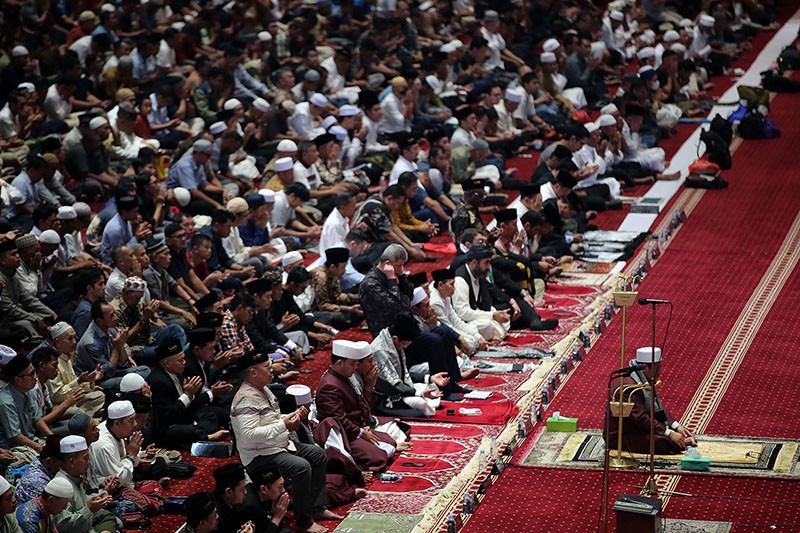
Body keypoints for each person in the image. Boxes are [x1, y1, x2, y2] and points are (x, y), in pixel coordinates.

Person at [230, 348, 341, 532]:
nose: (272, 369)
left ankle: (315, 508)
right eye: (267, 366)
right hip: (260, 454)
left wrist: (292, 417)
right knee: (301, 467)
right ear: (253, 373)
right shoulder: (244, 399)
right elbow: (248, 435)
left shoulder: (263, 388)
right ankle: (303, 521)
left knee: (318, 454)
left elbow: (271, 418)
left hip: (277, 444)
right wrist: (284, 425)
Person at [315, 340, 399, 473]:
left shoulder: (345, 376)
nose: (356, 367)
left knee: (391, 442)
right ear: (339, 363)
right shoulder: (329, 386)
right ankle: (353, 469)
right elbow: (338, 419)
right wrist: (361, 432)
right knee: (380, 456)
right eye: (352, 364)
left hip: (356, 428)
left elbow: (361, 406)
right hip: (344, 436)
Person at [605, 347, 697, 455]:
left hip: (637, 428)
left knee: (673, 433)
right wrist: (668, 433)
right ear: (645, 367)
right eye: (657, 368)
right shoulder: (630, 387)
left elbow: (656, 407)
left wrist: (675, 426)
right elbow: (641, 418)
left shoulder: (643, 379)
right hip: (622, 435)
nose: (659, 372)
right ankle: (679, 443)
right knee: (663, 442)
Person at [146, 339, 230, 449]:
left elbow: (189, 405)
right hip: (167, 426)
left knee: (209, 415)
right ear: (167, 363)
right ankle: (207, 437)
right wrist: (187, 395)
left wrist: (192, 396)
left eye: (184, 359)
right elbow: (168, 415)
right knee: (188, 430)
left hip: (184, 417)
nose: (184, 362)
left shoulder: (178, 372)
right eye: (180, 360)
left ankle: (197, 436)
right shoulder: (158, 381)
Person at [75, 301, 150, 389]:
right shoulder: (91, 342)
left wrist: (121, 346)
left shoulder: (108, 327)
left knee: (145, 370)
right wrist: (117, 346)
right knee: (133, 382)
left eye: (115, 313)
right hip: (96, 381)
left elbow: (124, 362)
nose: (116, 317)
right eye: (111, 316)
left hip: (115, 370)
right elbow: (107, 373)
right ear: (99, 320)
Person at [52, 435, 118, 533]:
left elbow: (82, 503)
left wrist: (99, 499)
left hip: (88, 525)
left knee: (108, 516)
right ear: (72, 462)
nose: (89, 462)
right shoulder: (62, 486)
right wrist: (89, 509)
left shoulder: (76, 478)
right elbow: (63, 526)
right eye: (86, 458)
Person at [0, 354, 52, 456]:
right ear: (18, 380)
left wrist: (51, 436)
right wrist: (40, 448)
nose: (36, 378)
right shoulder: (5, 401)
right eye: (31, 374)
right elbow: (15, 436)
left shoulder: (29, 390)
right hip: (14, 447)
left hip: (31, 439)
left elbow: (36, 418)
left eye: (35, 372)